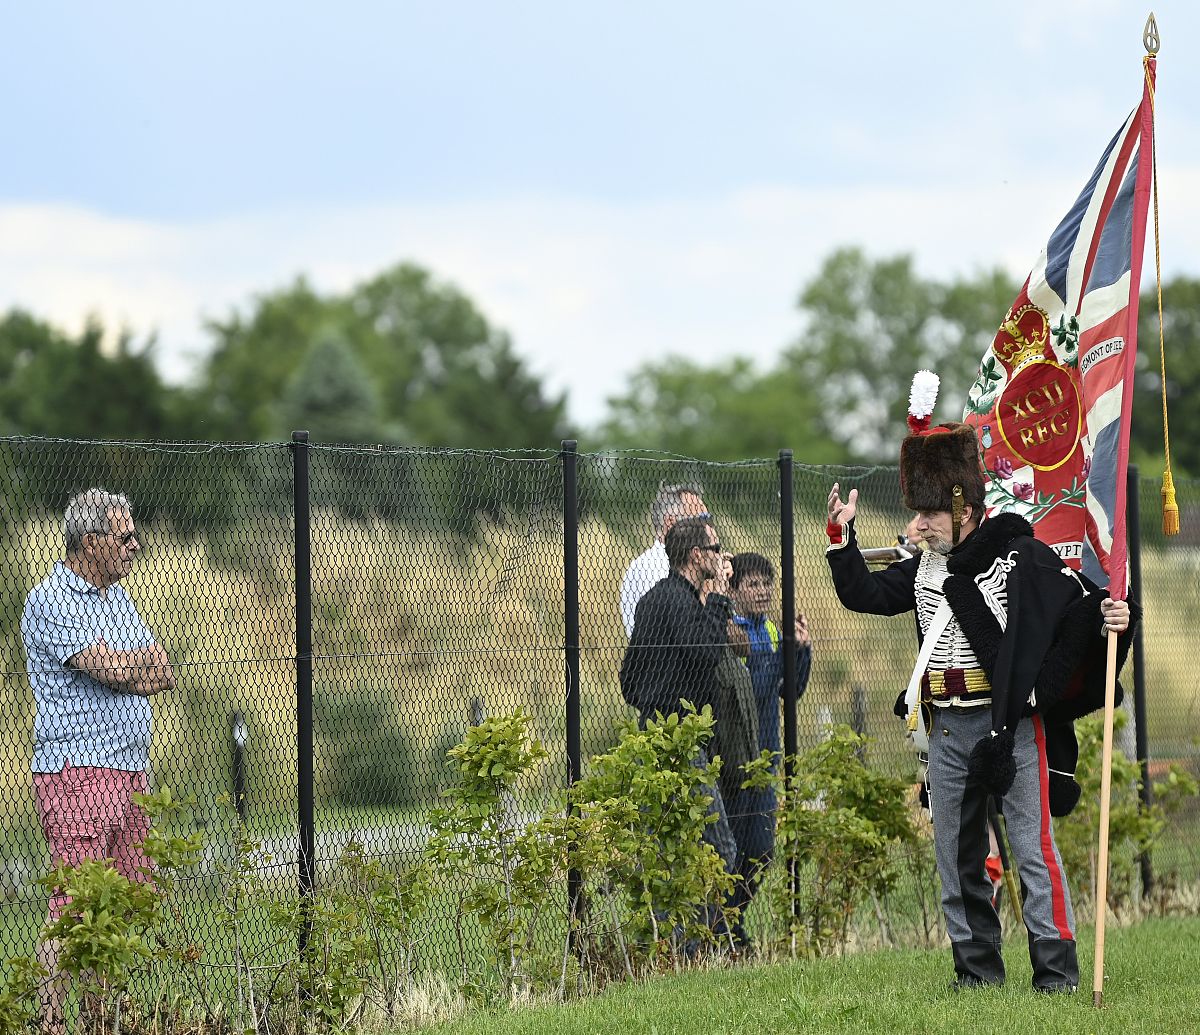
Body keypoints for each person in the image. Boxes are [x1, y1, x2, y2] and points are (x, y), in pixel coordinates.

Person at [823, 377, 1135, 993]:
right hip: (945, 724)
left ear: (963, 507)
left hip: (1010, 723)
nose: (918, 525)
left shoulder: (1019, 558)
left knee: (1031, 850)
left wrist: (1115, 618)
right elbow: (866, 592)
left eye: (928, 512)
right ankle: (976, 971)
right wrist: (842, 539)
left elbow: (1075, 615)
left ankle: (1055, 970)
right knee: (957, 858)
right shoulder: (923, 569)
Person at [21, 488, 175, 1032]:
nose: (136, 545)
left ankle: (99, 1020)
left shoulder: (121, 602)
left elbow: (162, 671)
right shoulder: (50, 600)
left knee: (121, 901)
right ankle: (50, 1022)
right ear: (91, 542)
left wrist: (126, 666)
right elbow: (109, 670)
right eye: (124, 536)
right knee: (77, 901)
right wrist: (127, 667)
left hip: (130, 769)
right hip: (78, 768)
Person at [619, 514, 738, 877]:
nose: (722, 557)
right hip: (683, 742)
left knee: (666, 850)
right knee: (720, 851)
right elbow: (706, 652)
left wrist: (654, 702)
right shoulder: (683, 603)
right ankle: (694, 936)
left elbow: (629, 678)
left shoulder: (653, 600)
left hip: (651, 734)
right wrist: (718, 599)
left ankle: (670, 933)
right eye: (716, 549)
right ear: (698, 555)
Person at [723, 552, 813, 942]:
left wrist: (801, 651)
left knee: (760, 851)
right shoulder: (728, 630)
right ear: (735, 589)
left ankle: (730, 920)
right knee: (728, 850)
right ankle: (721, 929)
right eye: (752, 585)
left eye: (766, 584)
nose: (762, 592)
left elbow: (789, 690)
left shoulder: (773, 631)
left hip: (765, 758)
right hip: (730, 760)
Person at [619, 482, 707, 638]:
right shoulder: (649, 566)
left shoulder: (692, 561)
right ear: (671, 522)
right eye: (698, 519)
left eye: (707, 518)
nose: (706, 527)